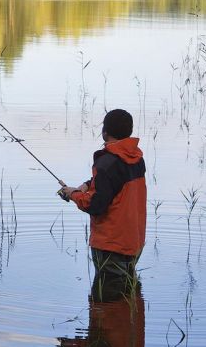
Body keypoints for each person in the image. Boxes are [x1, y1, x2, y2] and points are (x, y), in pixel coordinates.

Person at [57, 108, 147, 290]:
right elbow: (115, 183)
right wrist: (85, 185)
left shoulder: (106, 163)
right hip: (133, 241)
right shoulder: (136, 158)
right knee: (128, 297)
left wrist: (72, 194)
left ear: (105, 132)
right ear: (128, 132)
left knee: (107, 301)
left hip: (111, 244)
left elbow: (96, 205)